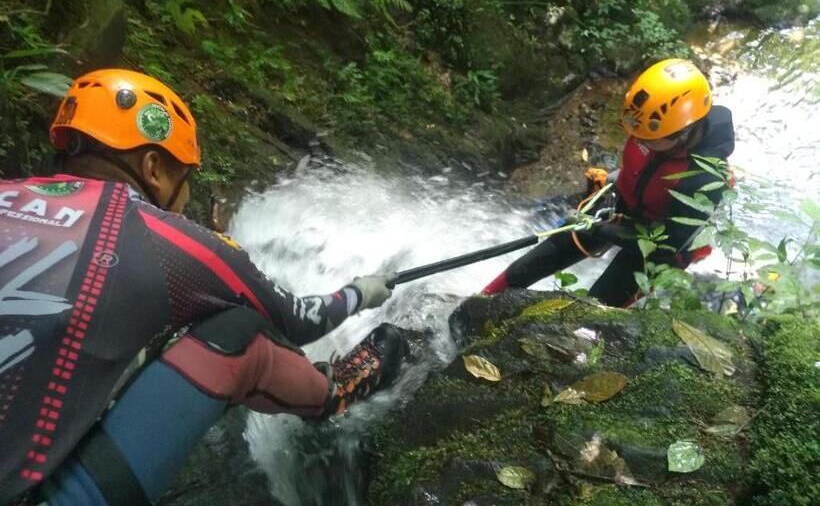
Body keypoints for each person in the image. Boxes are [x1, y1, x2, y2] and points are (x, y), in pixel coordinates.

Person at [0, 69, 406, 506]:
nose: (187, 193)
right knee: (239, 331)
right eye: (186, 175)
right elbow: (297, 320)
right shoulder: (168, 239)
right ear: (153, 169)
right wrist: (361, 292)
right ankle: (334, 392)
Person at [482, 58, 735, 307]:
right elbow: (646, 170)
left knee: (593, 307)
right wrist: (611, 182)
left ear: (684, 133)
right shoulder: (652, 129)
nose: (639, 141)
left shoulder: (705, 177)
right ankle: (479, 302)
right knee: (531, 265)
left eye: (648, 139)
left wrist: (598, 230)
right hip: (621, 208)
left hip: (660, 246)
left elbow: (666, 245)